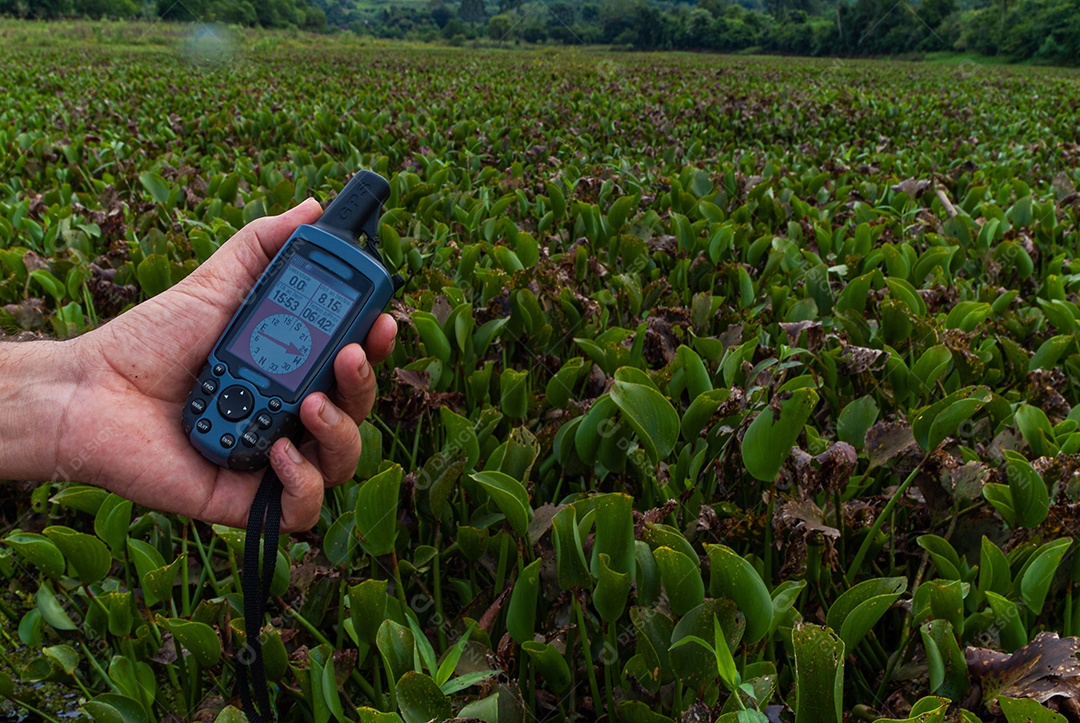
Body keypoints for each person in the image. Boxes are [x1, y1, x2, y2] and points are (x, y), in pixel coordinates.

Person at [0, 198, 397, 533]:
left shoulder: (311, 249)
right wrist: (78, 389)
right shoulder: (307, 245)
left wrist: (73, 398)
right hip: (259, 397)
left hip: (259, 397)